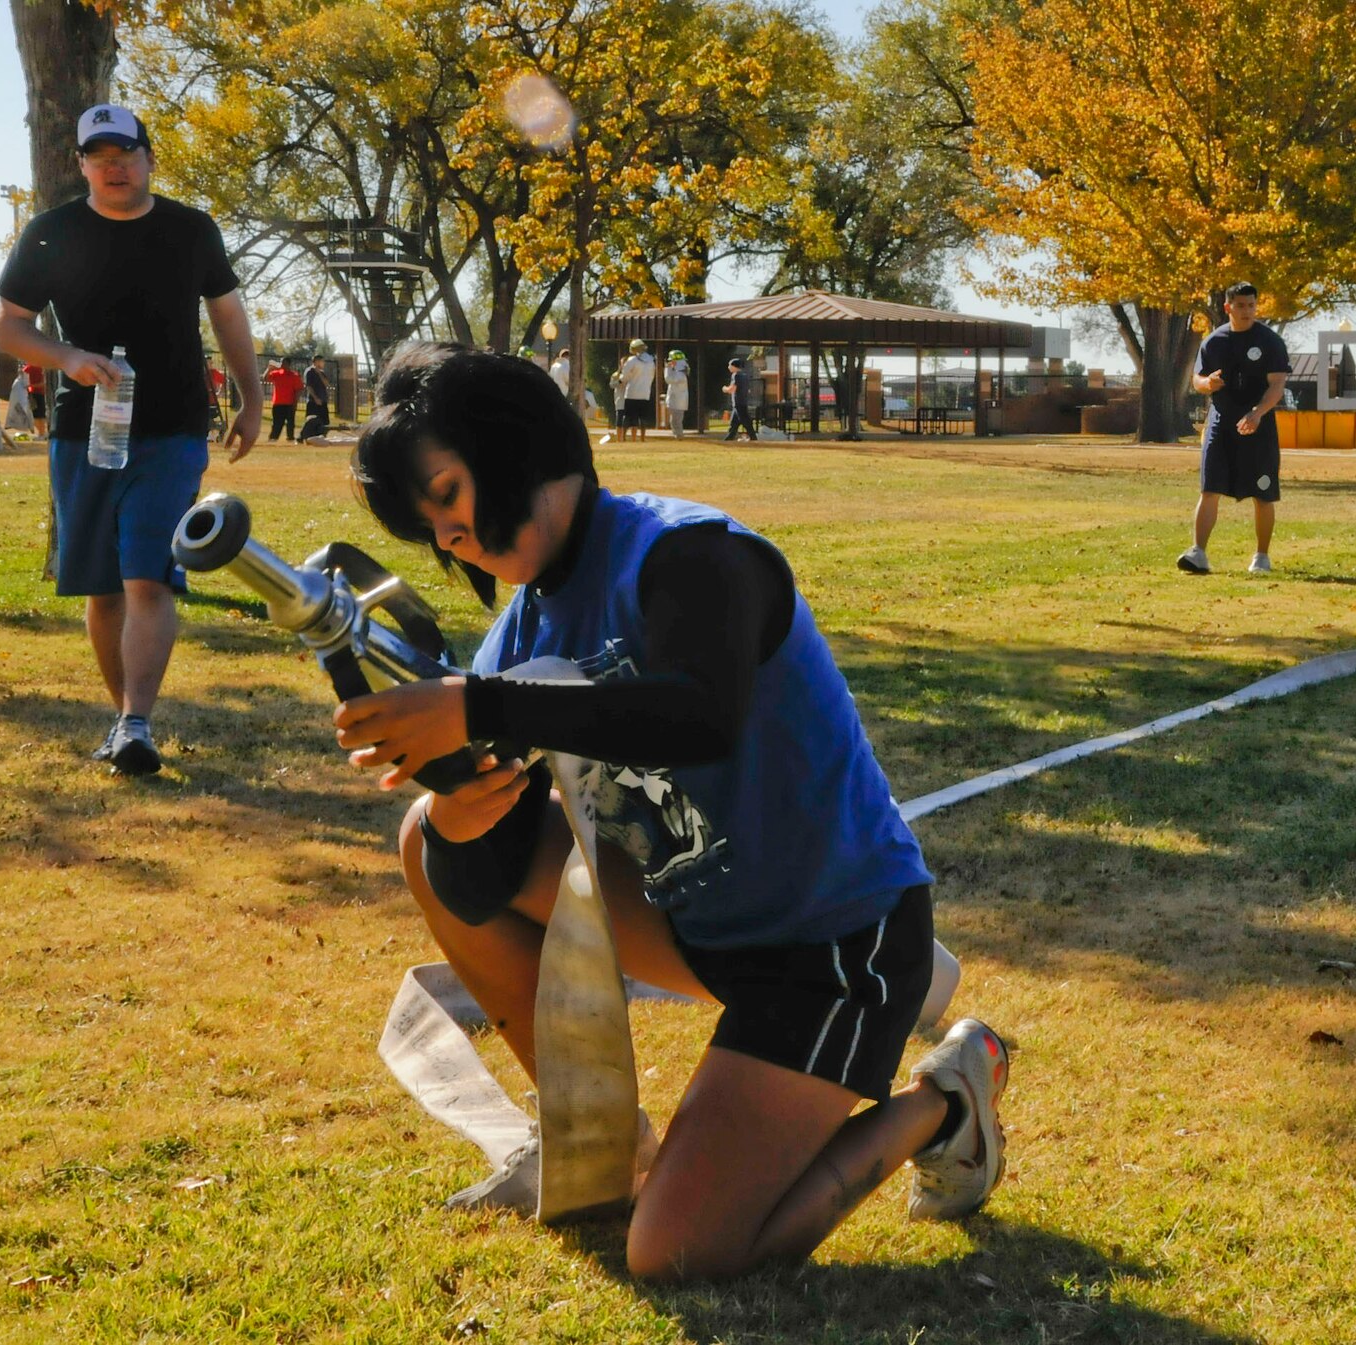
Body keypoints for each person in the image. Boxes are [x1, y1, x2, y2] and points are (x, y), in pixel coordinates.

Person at [334, 343, 1008, 1280]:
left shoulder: (687, 551)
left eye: (446, 493)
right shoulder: (522, 624)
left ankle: (946, 1099)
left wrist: (479, 707)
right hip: (707, 926)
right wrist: (454, 807)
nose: (448, 536)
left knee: (676, 1252)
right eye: (427, 525)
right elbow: (474, 886)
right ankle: (598, 1138)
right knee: (429, 835)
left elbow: (701, 715)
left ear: (517, 443)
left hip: (832, 948)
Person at [0, 103, 261, 776]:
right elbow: (9, 325)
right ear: (82, 164)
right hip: (84, 431)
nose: (114, 167)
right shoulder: (50, 234)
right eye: (99, 157)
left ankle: (136, 718)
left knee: (147, 574)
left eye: (125, 154)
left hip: (171, 427)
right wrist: (68, 358)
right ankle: (127, 724)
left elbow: (227, 313)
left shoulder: (191, 231)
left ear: (149, 157)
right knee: (103, 588)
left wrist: (251, 398)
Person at [1177, 281, 1290, 575]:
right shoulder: (1214, 342)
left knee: (1263, 494)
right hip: (1221, 423)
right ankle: (1198, 553)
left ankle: (1261, 557)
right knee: (1209, 488)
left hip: (1259, 424)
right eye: (1240, 306)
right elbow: (1198, 380)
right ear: (1228, 308)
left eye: (1251, 305)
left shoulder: (1270, 342)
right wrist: (1208, 383)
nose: (1247, 311)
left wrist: (1257, 413)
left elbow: (1277, 385)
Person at [615, 339, 657, 443]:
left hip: (632, 392)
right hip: (645, 392)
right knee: (643, 417)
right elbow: (652, 376)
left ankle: (623, 438)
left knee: (629, 416)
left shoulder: (632, 360)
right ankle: (642, 438)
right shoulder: (651, 361)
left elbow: (625, 376)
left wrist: (620, 379)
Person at [264, 356, 304, 442]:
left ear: (288, 364)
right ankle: (273, 438)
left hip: (289, 403)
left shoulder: (294, 376)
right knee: (277, 423)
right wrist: (269, 368)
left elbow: (299, 389)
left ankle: (290, 438)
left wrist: (295, 402)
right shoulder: (277, 373)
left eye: (284, 363)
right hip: (278, 403)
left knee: (290, 423)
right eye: (281, 362)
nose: (281, 364)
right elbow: (265, 378)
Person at [723, 356, 757, 441]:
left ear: (734, 366)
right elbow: (748, 390)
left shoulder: (736, 375)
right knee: (734, 423)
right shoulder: (745, 376)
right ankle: (729, 438)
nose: (728, 367)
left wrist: (725, 389)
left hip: (738, 402)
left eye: (729, 365)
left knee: (745, 421)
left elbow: (733, 389)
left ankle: (753, 437)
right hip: (743, 401)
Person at [298, 354, 330, 442]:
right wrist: (315, 398)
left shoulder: (322, 372)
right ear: (316, 362)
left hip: (323, 400)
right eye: (322, 361)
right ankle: (302, 437)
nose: (323, 363)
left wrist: (319, 373)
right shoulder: (309, 371)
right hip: (313, 401)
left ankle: (320, 437)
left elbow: (327, 384)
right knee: (311, 420)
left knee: (324, 421)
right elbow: (309, 386)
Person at [663, 348, 691, 439]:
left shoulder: (680, 374)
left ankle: (679, 435)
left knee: (677, 420)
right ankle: (677, 435)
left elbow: (668, 379)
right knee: (674, 420)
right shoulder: (679, 371)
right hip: (676, 399)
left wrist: (667, 368)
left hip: (678, 401)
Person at [22, 360, 49, 439]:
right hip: (42, 393)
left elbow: (22, 375)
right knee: (41, 414)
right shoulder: (42, 367)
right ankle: (42, 432)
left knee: (36, 415)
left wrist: (30, 386)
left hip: (34, 393)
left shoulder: (30, 367)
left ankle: (41, 433)